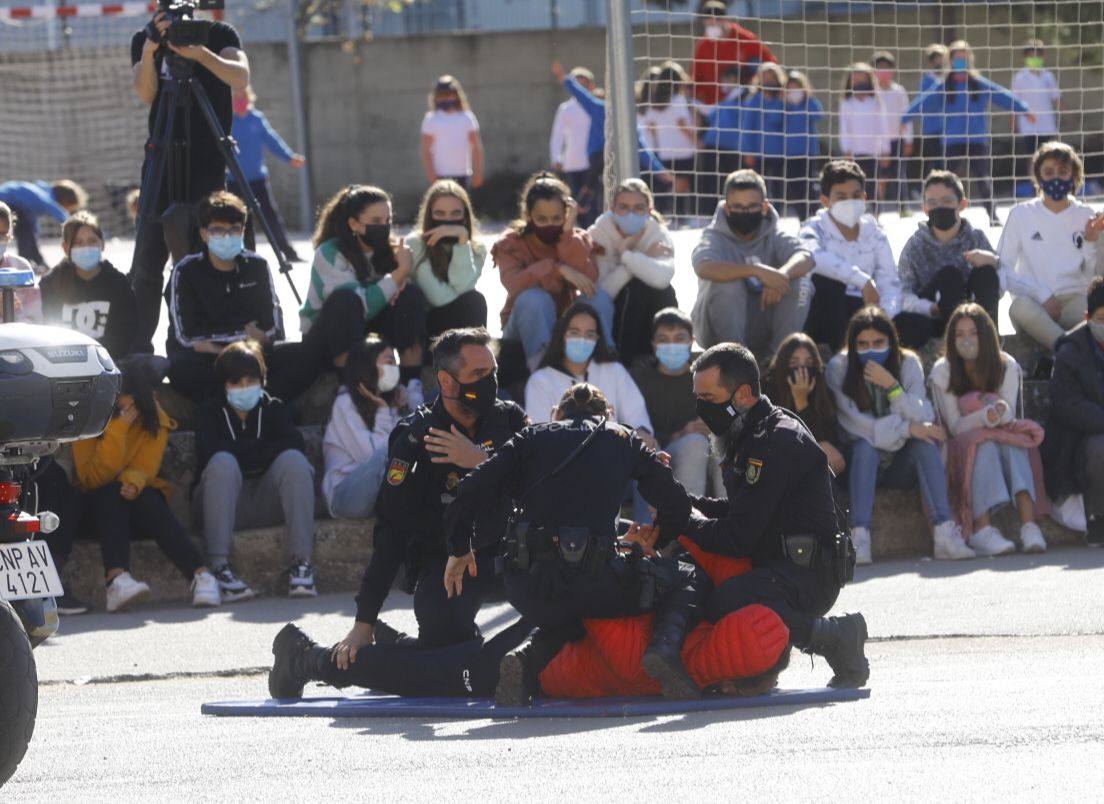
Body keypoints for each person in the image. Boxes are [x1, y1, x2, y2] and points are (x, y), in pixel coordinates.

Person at [444, 382, 704, 703]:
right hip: (596, 582)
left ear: (558, 413)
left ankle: (525, 660)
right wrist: (654, 541)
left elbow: (469, 490)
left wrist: (458, 549)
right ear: (607, 415)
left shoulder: (531, 437)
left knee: (567, 603)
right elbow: (677, 505)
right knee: (686, 576)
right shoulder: (621, 438)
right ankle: (664, 652)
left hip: (526, 586)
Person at [684, 342, 868, 688]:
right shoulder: (748, 433)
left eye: (708, 399)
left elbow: (737, 537)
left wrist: (685, 520)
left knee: (727, 601)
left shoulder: (773, 440)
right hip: (778, 563)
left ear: (742, 395)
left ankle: (835, 637)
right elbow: (744, 511)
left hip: (807, 573)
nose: (700, 409)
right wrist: (685, 502)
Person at [337, 328, 528, 653]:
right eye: (478, 374)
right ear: (448, 381)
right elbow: (391, 530)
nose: (490, 383)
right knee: (444, 633)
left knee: (569, 596)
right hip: (450, 560)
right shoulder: (415, 439)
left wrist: (480, 462)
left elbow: (540, 484)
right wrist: (363, 621)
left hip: (509, 549)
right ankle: (397, 642)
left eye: (493, 372)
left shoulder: (508, 419)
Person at [129, 8, 249, 353]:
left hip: (207, 163)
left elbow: (240, 77)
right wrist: (152, 51)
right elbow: (146, 93)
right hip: (161, 163)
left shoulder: (219, 34)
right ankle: (138, 351)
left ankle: (193, 345)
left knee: (201, 260)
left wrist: (200, 54)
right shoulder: (145, 39)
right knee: (148, 263)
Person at [72, 356, 220, 611]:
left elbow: (146, 469)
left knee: (147, 496)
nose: (122, 403)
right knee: (110, 492)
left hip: (137, 508)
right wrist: (118, 429)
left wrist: (133, 481)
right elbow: (92, 477)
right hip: (96, 510)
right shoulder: (89, 417)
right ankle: (116, 581)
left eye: (128, 397)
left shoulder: (155, 419)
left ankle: (201, 575)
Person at [826, 307, 968, 564]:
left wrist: (892, 387)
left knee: (924, 443)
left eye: (879, 343)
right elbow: (855, 425)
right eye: (863, 344)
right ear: (852, 344)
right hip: (857, 464)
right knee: (865, 447)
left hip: (897, 464)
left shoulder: (908, 362)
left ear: (891, 341)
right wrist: (905, 428)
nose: (871, 349)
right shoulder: (839, 367)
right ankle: (859, 536)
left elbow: (923, 411)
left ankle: (945, 532)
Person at [193, 340, 317, 601]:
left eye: (251, 381)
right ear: (223, 384)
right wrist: (262, 450)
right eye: (236, 382)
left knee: (294, 461)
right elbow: (210, 453)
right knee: (222, 464)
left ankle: (302, 564)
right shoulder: (209, 413)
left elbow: (293, 443)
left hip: (265, 500)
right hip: (222, 503)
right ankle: (220, 568)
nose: (244, 388)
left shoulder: (274, 408)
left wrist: (244, 450)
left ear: (262, 380)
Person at [930, 304, 1048, 555]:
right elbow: (954, 425)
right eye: (959, 334)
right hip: (960, 444)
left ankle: (1029, 526)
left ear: (985, 335)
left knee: (1015, 442)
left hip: (1001, 431)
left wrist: (1000, 412)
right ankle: (982, 529)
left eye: (973, 333)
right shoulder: (944, 370)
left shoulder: (1007, 365)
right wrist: (984, 416)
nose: (967, 340)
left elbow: (1011, 413)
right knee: (983, 444)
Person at [299, 185, 424, 391]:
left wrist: (403, 279)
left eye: (387, 221)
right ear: (354, 224)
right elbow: (361, 305)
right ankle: (348, 392)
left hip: (368, 332)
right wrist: (400, 273)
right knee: (346, 300)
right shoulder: (330, 252)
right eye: (376, 221)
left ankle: (412, 385)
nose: (383, 227)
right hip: (326, 338)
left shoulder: (393, 251)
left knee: (411, 296)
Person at [165, 191, 286, 403]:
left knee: (295, 356)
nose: (227, 236)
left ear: (243, 231)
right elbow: (187, 336)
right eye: (218, 230)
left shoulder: (258, 265)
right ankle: (223, 407)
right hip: (207, 359)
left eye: (234, 230)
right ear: (204, 234)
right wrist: (242, 335)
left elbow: (270, 327)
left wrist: (215, 337)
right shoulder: (185, 270)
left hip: (252, 353)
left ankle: (264, 404)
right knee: (183, 368)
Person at [902, 40, 1033, 226]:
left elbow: (1001, 95)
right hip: (953, 140)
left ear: (970, 59)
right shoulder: (944, 86)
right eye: (957, 58)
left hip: (977, 138)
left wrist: (1024, 109)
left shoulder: (978, 83)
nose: (961, 61)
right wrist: (904, 118)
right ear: (950, 60)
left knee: (983, 178)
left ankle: (992, 215)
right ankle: (941, 214)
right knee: (946, 180)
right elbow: (923, 102)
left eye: (965, 57)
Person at [690, 169, 814, 357]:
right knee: (727, 285)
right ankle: (735, 361)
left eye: (752, 206)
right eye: (738, 207)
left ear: (764, 207)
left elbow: (806, 257)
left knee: (802, 283)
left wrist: (781, 277)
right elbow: (704, 266)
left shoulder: (773, 233)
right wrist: (756, 271)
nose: (745, 212)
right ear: (726, 209)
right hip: (717, 331)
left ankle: (779, 359)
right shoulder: (714, 236)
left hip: (761, 321)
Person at [998, 142, 1104, 356]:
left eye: (1063, 172)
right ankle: (1068, 350)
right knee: (1018, 308)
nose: (1056, 178)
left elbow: (1094, 278)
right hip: (1037, 307)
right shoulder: (1021, 214)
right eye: (1048, 172)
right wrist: (1042, 294)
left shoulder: (1087, 215)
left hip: (1076, 301)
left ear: (1074, 176)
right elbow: (1002, 268)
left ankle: (1065, 352)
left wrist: (1092, 243)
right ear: (1038, 178)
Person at [492, 172, 604, 371]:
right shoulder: (512, 242)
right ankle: (544, 372)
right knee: (535, 298)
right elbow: (514, 284)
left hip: (566, 328)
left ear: (567, 214)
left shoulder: (578, 239)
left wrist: (567, 236)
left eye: (557, 218)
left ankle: (603, 363)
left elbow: (589, 280)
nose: (550, 224)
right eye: (541, 219)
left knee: (598, 298)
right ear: (528, 216)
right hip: (520, 332)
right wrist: (558, 269)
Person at [798, 160, 900, 351]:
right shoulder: (813, 229)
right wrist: (863, 280)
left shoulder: (876, 234)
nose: (850, 202)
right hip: (825, 310)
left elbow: (890, 283)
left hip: (866, 310)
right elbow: (813, 257)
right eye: (841, 197)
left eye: (855, 195)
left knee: (915, 323)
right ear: (825, 201)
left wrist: (884, 315)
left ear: (864, 198)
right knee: (828, 283)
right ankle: (839, 356)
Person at [894, 170, 1002, 348]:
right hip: (935, 314)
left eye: (947, 201)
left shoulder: (976, 238)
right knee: (949, 276)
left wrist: (993, 261)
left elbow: (1000, 281)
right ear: (925, 208)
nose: (939, 207)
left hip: (973, 313)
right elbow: (903, 293)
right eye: (932, 203)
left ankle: (991, 345)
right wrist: (929, 308)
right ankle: (953, 345)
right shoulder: (915, 245)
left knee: (987, 272)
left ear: (963, 204)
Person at [322, 336, 421, 520]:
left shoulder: (391, 405)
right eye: (388, 361)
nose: (394, 367)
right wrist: (384, 413)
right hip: (346, 496)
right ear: (367, 365)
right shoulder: (344, 404)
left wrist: (403, 411)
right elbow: (372, 454)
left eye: (395, 361)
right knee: (396, 451)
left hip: (379, 494)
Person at [551, 60, 672, 209]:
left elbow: (641, 147)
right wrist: (565, 79)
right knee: (600, 161)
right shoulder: (599, 109)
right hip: (596, 157)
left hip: (615, 159)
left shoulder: (628, 118)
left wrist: (659, 170)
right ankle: (587, 192)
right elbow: (581, 95)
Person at [524, 301, 653, 440]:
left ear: (598, 338)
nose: (582, 340)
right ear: (561, 335)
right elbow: (539, 435)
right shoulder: (540, 381)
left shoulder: (615, 371)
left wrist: (643, 433)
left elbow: (637, 416)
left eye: (590, 335)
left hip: (614, 456)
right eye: (574, 332)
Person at [585, 178, 678, 366]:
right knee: (633, 287)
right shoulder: (597, 234)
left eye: (638, 208)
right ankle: (624, 362)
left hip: (648, 312)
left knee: (664, 290)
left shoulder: (657, 233)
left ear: (649, 211)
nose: (630, 214)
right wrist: (636, 257)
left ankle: (665, 357)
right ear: (612, 209)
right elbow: (604, 291)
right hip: (612, 313)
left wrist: (627, 256)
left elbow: (662, 278)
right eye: (624, 207)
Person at [1042, 277, 1104, 547]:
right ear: (1088, 317)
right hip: (1077, 446)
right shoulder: (1069, 352)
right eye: (1102, 317)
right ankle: (1098, 519)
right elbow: (1069, 406)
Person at [631, 308, 717, 499]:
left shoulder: (706, 379)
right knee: (694, 444)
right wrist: (680, 434)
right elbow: (637, 432)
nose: (672, 345)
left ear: (691, 341)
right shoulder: (638, 380)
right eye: (663, 339)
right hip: (661, 454)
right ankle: (691, 523)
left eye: (679, 338)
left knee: (723, 445)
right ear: (653, 344)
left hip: (707, 453)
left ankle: (733, 521)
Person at [40, 211, 138, 360]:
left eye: (92, 241)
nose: (86, 247)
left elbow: (126, 333)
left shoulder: (118, 284)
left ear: (102, 244)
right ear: (66, 248)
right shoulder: (49, 284)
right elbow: (46, 330)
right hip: (61, 363)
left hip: (108, 364)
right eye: (78, 243)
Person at [228, 85, 306, 263]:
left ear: (249, 98)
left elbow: (272, 140)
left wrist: (289, 157)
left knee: (270, 216)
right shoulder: (227, 121)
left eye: (242, 97)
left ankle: (288, 253)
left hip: (257, 179)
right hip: (234, 181)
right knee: (235, 218)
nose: (239, 100)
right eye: (235, 97)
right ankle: (237, 254)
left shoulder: (257, 119)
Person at [408, 180, 488, 339]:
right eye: (439, 213)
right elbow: (439, 299)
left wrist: (462, 243)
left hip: (459, 323)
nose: (447, 221)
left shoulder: (477, 249)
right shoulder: (415, 244)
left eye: (455, 213)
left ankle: (474, 358)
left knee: (475, 300)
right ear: (429, 216)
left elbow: (463, 289)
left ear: (465, 217)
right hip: (426, 325)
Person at [766, 332, 846, 476]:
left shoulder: (823, 392)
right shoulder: (767, 390)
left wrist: (802, 404)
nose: (802, 370)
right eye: (794, 364)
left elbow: (829, 436)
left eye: (809, 364)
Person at [639, 61, 698, 221]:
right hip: (684, 150)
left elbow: (650, 126)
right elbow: (682, 124)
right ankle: (684, 217)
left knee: (672, 186)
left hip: (664, 152)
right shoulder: (678, 99)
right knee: (685, 186)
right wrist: (696, 140)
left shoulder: (655, 103)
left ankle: (673, 217)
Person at [689, 0, 777, 107]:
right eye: (709, 25)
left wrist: (754, 84)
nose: (711, 28)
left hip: (743, 101)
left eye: (714, 23)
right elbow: (694, 76)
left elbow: (771, 64)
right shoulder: (703, 45)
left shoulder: (745, 39)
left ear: (724, 20)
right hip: (713, 104)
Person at [0, 179, 85, 271]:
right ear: (65, 200)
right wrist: (73, 224)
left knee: (29, 232)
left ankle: (38, 261)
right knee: (25, 232)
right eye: (68, 209)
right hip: (6, 201)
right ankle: (26, 261)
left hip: (14, 205)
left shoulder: (37, 197)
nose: (68, 211)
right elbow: (54, 208)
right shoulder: (44, 195)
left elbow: (33, 227)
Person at [420, 75, 484, 191]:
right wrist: (432, 175)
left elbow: (476, 147)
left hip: (463, 175)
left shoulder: (467, 117)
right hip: (440, 175)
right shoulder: (431, 119)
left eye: (449, 94)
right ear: (436, 97)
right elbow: (426, 150)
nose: (446, 98)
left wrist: (478, 173)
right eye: (442, 95)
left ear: (456, 95)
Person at [838, 63, 890, 204]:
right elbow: (844, 128)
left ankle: (875, 214)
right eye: (856, 79)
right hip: (854, 151)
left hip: (874, 151)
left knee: (873, 184)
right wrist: (846, 149)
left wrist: (885, 149)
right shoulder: (846, 103)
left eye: (863, 79)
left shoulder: (876, 101)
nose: (860, 82)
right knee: (856, 184)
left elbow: (883, 126)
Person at [697, 65, 746, 216]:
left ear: (734, 79)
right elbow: (711, 114)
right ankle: (710, 213)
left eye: (726, 79)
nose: (724, 83)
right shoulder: (727, 99)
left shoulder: (744, 97)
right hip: (714, 145)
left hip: (729, 147)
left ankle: (727, 211)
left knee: (725, 182)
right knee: (711, 181)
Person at [1011, 40, 1061, 184]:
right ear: (1025, 57)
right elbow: (1015, 101)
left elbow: (1056, 98)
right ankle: (1035, 187)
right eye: (1030, 55)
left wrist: (1072, 117)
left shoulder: (1048, 76)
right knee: (1033, 158)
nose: (1034, 58)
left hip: (1047, 124)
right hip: (1028, 124)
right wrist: (1014, 123)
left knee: (1051, 156)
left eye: (1037, 55)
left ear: (1043, 56)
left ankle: (1052, 184)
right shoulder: (1019, 77)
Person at [549, 66, 595, 220]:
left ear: (591, 85)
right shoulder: (566, 109)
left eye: (585, 84)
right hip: (572, 163)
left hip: (593, 163)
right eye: (577, 84)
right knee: (574, 202)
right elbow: (557, 135)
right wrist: (556, 158)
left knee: (592, 203)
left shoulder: (596, 106)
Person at [738, 62, 788, 204]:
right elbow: (747, 127)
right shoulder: (754, 100)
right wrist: (748, 151)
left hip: (780, 151)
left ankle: (777, 213)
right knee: (760, 185)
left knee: (779, 187)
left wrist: (780, 101)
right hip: (759, 152)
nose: (768, 80)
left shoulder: (784, 100)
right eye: (765, 77)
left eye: (772, 77)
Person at [872, 51, 914, 212]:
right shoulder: (872, 93)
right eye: (879, 67)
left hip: (897, 138)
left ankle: (903, 206)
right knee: (879, 175)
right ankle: (878, 207)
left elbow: (906, 115)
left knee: (899, 174)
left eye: (886, 67)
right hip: (877, 141)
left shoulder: (899, 90)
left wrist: (909, 139)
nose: (883, 71)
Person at [782, 69, 824, 222]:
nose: (793, 91)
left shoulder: (810, 103)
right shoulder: (784, 106)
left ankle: (816, 215)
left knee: (810, 185)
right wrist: (786, 103)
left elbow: (818, 115)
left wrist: (804, 101)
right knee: (795, 187)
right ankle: (803, 218)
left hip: (808, 152)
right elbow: (774, 120)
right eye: (790, 87)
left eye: (796, 87)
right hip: (790, 153)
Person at [0, 202, 43, 324]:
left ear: (10, 234)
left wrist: (12, 313)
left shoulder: (21, 268)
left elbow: (36, 321)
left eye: (2, 234)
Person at [916, 44, 947, 185]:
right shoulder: (926, 82)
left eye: (942, 59)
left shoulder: (950, 80)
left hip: (949, 130)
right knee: (932, 164)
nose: (939, 62)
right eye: (936, 59)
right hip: (932, 130)